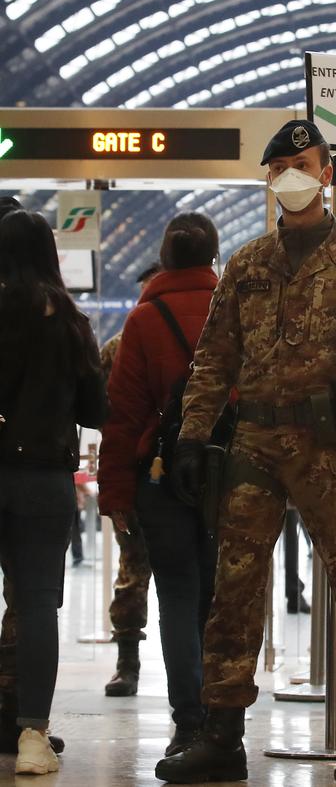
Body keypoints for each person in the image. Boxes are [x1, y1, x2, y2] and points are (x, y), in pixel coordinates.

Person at [155, 119, 336, 786]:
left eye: (303, 162)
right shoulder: (249, 265)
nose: (291, 174)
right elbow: (213, 359)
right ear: (268, 176)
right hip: (253, 441)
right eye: (280, 164)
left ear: (327, 174)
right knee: (235, 587)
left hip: (327, 445)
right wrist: (192, 435)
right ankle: (221, 732)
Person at [98, 214, 219, 757]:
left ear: (164, 258)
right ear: (214, 255)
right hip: (231, 473)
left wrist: (116, 495)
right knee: (224, 602)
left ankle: (188, 723)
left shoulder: (143, 320)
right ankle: (224, 722)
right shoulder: (236, 308)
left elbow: (122, 416)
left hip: (161, 475)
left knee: (176, 594)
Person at [0, 209, 106, 775]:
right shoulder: (70, 320)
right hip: (43, 478)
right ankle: (33, 738)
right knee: (38, 604)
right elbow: (97, 410)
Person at [102, 263, 159, 698]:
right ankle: (128, 660)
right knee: (133, 571)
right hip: (136, 478)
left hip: (174, 475)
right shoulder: (116, 348)